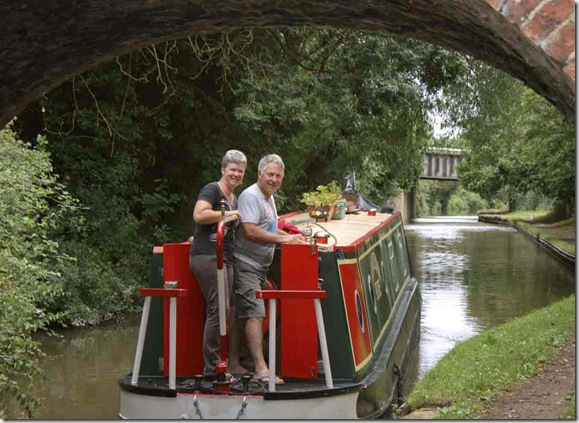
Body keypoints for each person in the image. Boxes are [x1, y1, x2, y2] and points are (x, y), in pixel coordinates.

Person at [228, 153, 307, 384]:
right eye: (270, 174)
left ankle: (233, 361)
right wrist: (285, 240)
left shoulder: (268, 197)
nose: (274, 179)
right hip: (245, 264)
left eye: (278, 176)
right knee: (255, 313)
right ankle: (261, 369)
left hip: (259, 267)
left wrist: (296, 237)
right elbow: (250, 231)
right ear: (260, 174)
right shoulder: (251, 196)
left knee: (241, 314)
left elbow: (269, 227)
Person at [189, 149, 247, 377]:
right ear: (223, 169)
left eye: (240, 171)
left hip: (226, 257)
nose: (236, 174)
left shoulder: (234, 198)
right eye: (232, 169)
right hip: (208, 256)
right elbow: (199, 215)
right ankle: (213, 368)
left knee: (225, 309)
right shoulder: (212, 190)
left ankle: (221, 362)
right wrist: (227, 215)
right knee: (219, 309)